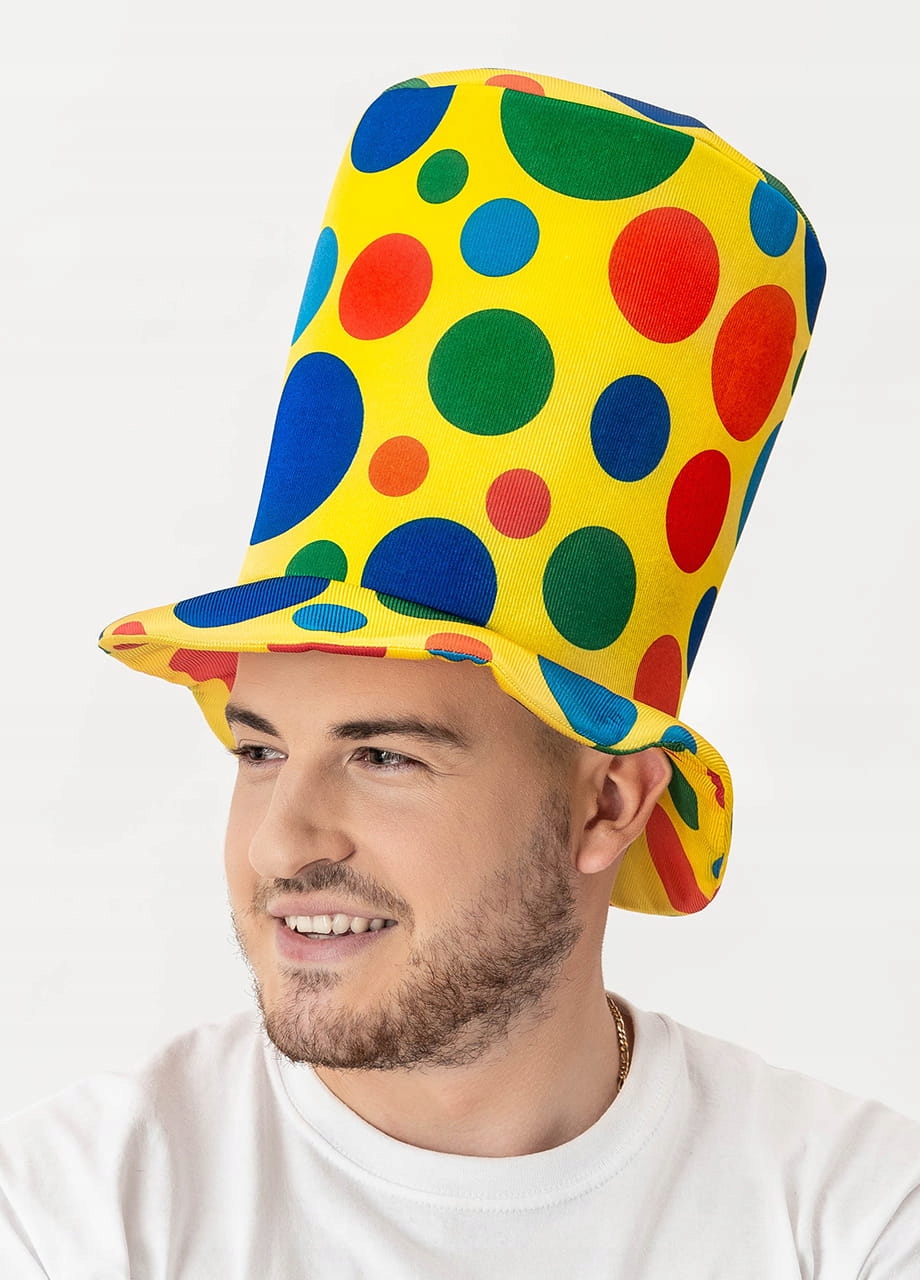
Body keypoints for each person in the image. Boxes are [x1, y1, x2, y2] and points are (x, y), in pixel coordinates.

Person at [2, 67, 918, 1277]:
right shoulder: (80, 1210)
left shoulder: (851, 1216)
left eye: (383, 753)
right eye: (258, 746)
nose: (280, 836)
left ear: (606, 800)